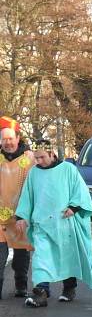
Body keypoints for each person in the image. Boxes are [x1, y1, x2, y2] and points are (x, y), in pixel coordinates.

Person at [14, 141, 92, 307]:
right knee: (41, 259)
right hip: (41, 225)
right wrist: (21, 216)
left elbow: (80, 191)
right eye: (36, 158)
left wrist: (73, 207)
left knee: (66, 258)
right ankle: (41, 293)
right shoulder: (34, 173)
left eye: (42, 157)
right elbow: (27, 196)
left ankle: (69, 288)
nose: (39, 161)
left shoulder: (68, 169)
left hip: (64, 224)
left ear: (52, 154)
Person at [0, 116, 35, 299]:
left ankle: (21, 285)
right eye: (4, 139)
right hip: (0, 216)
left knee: (21, 256)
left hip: (21, 215)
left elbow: (36, 186)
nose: (8, 143)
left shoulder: (28, 159)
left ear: (18, 138)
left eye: (10, 139)